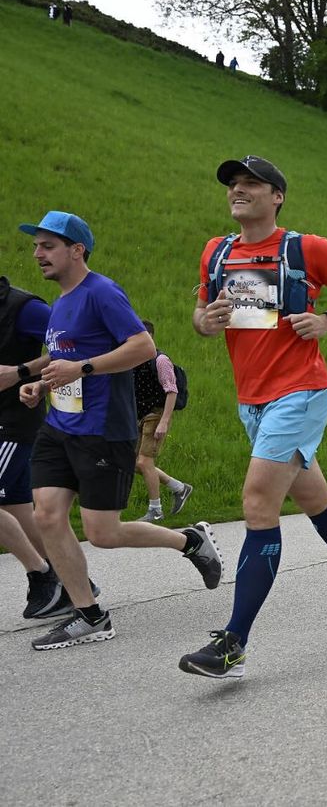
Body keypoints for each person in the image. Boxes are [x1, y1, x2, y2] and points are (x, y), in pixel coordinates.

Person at [180, 156, 327, 679]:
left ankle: (233, 643)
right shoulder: (217, 251)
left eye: (251, 183)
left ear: (277, 196)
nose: (238, 190)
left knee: (257, 502)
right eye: (233, 183)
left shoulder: (306, 248)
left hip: (301, 392)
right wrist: (206, 321)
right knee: (314, 498)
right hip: (251, 400)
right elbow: (203, 317)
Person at [18, 211, 222, 651]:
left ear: (77, 250)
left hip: (102, 429)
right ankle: (90, 615)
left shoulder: (101, 292)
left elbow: (142, 346)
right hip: (59, 424)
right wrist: (39, 381)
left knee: (102, 533)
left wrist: (83, 368)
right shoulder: (60, 303)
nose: (37, 254)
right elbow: (63, 357)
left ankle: (189, 540)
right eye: (36, 246)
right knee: (48, 516)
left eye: (47, 246)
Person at [0, 272, 72, 619]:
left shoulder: (24, 307)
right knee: (16, 506)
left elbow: (72, 342)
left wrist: (19, 371)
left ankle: (42, 575)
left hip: (14, 421)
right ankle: (74, 583)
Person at [131, 320, 193, 522]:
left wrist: (164, 422)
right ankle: (179, 487)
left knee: (144, 461)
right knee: (134, 463)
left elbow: (171, 390)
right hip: (140, 415)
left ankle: (155, 510)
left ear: (149, 337)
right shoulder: (133, 361)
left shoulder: (160, 360)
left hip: (156, 415)